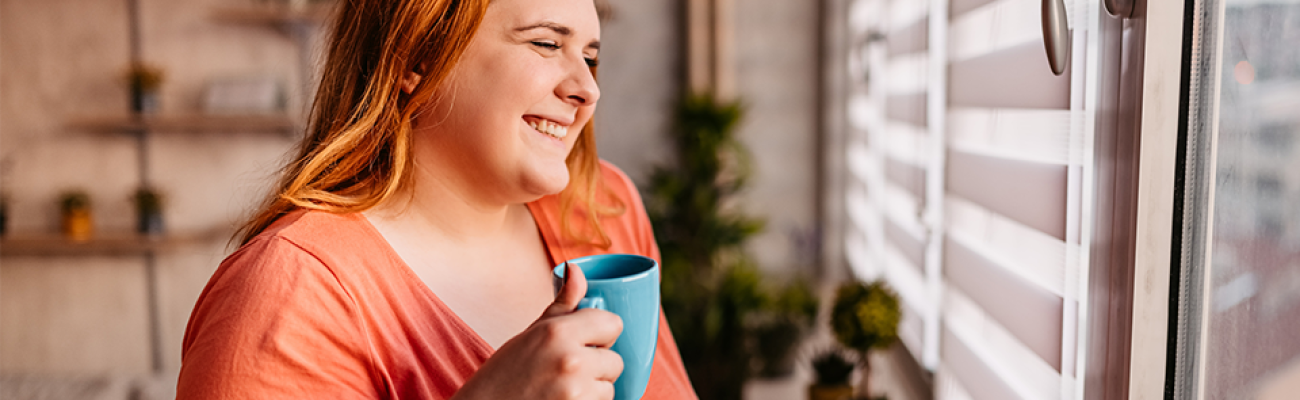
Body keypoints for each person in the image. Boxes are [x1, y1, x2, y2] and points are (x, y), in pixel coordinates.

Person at [174, 0, 697, 398]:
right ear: (416, 57)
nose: (588, 88)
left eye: (589, 55)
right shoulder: (289, 297)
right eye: (544, 44)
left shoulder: (601, 204)